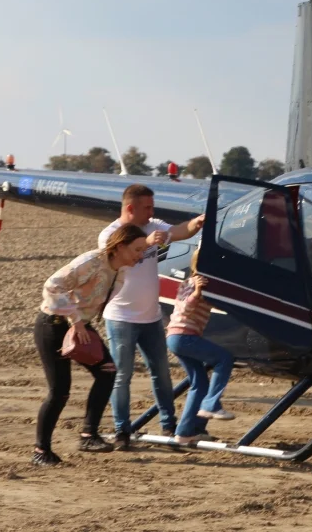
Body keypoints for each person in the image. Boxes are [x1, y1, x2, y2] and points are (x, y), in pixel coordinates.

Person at [99, 184, 208, 451]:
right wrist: (146, 243)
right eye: (146, 207)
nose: (152, 212)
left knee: (160, 372)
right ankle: (121, 430)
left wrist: (197, 223)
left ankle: (169, 426)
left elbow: (178, 232)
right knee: (122, 375)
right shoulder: (110, 234)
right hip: (121, 316)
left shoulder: (153, 225)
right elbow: (117, 254)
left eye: (152, 206)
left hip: (151, 317)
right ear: (130, 209)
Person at [32, 223, 148, 467]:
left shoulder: (120, 271)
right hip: (54, 325)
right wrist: (75, 320)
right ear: (120, 246)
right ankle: (41, 451)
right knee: (60, 391)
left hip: (79, 326)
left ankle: (88, 435)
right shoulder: (92, 261)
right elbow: (53, 285)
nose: (140, 255)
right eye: (137, 249)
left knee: (107, 371)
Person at [167, 246, 236, 445]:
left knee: (199, 383)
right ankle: (211, 405)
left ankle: (185, 432)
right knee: (224, 358)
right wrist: (197, 291)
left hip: (178, 338)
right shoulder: (194, 283)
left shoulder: (204, 285)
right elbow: (185, 307)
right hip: (183, 337)